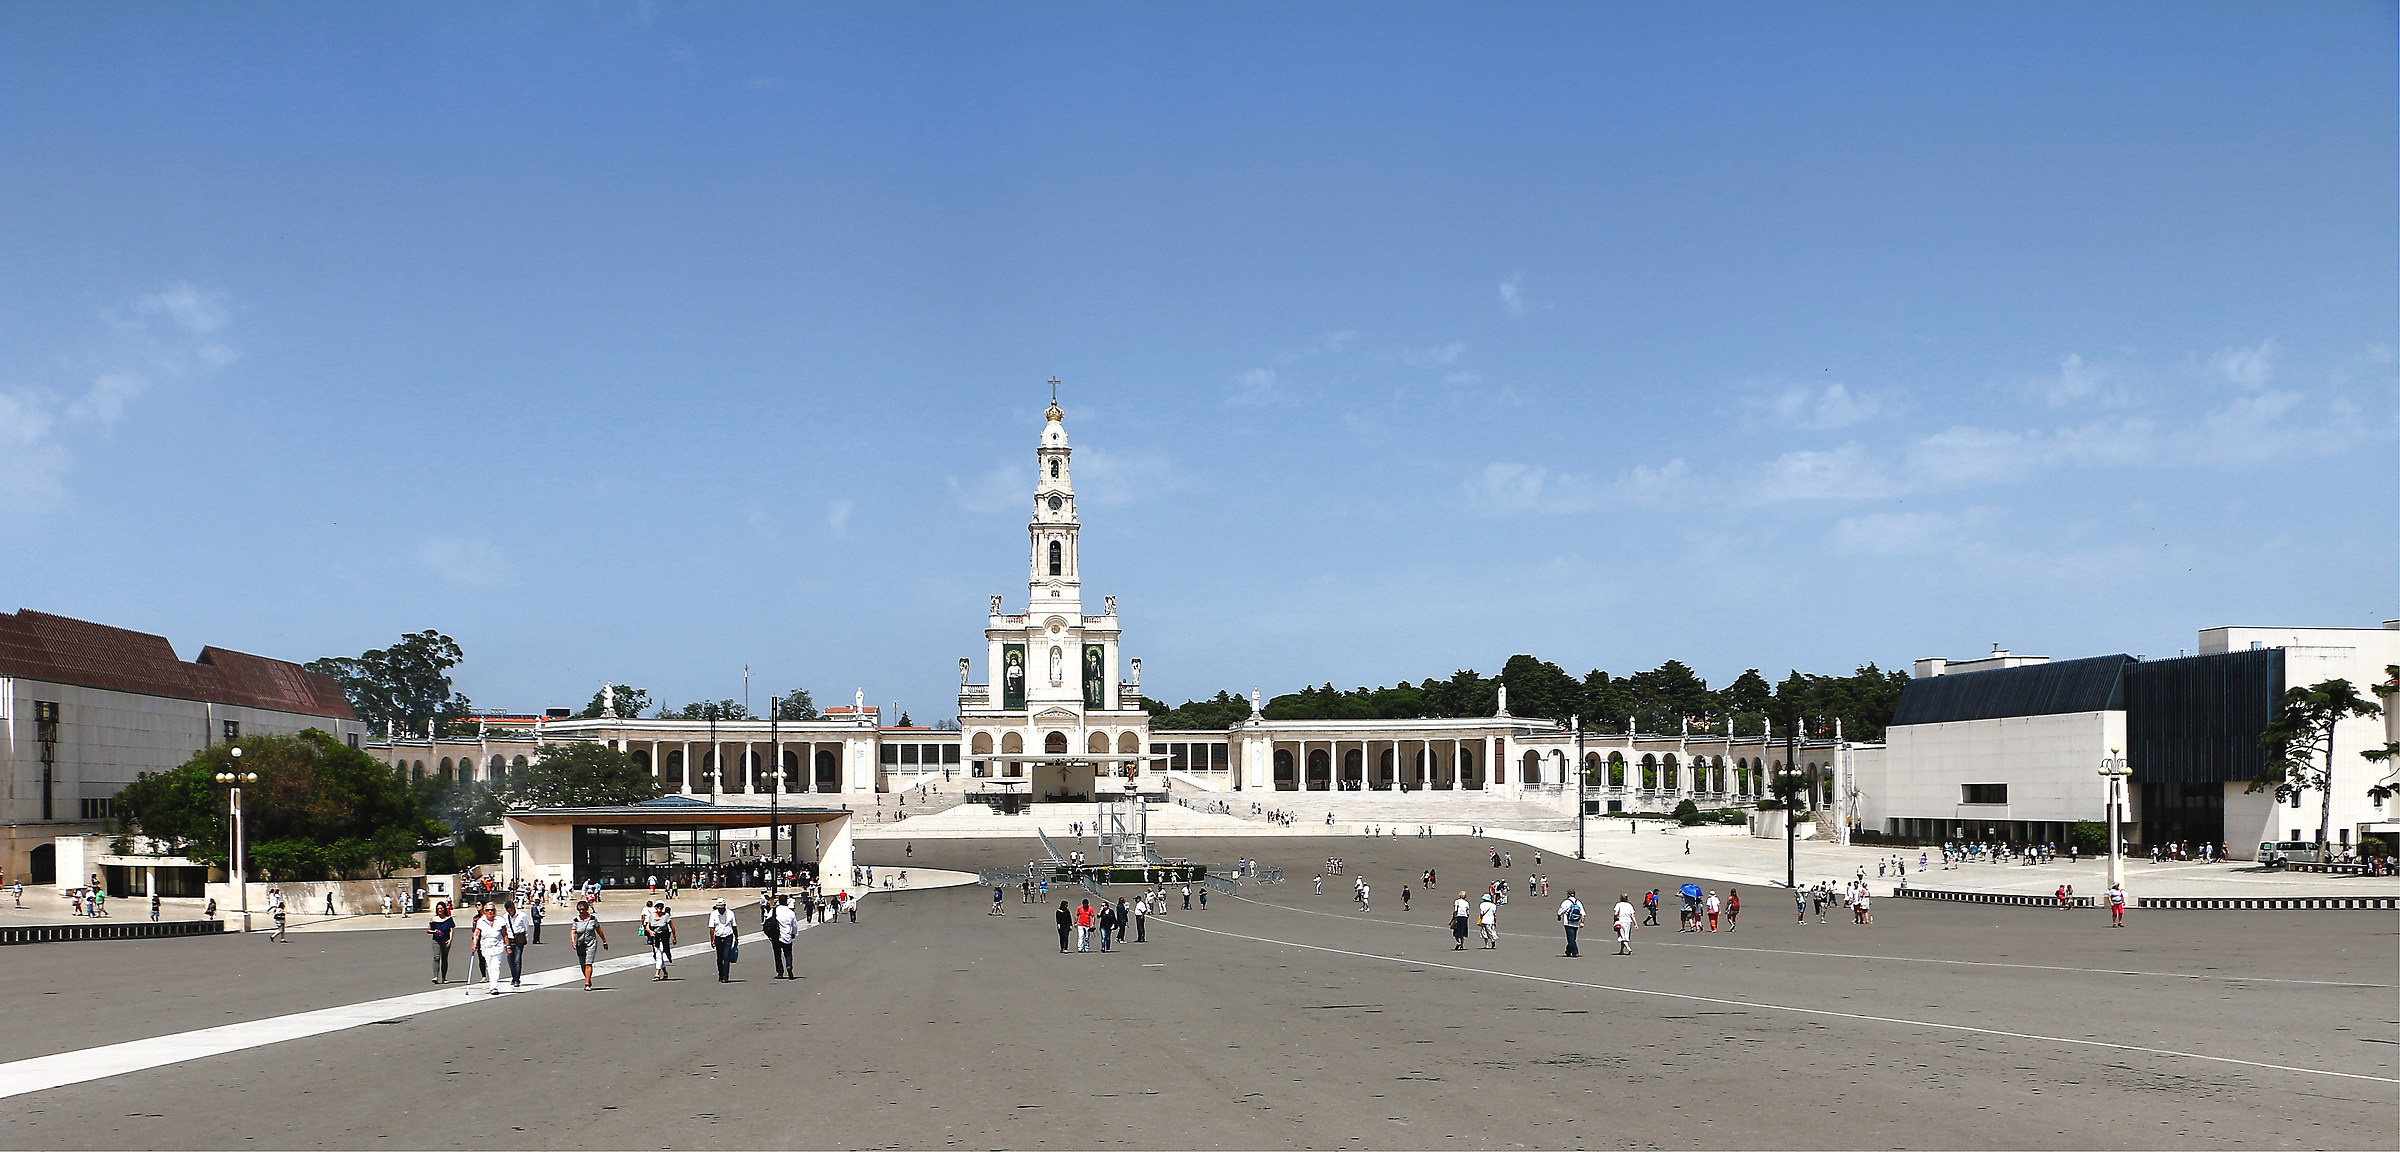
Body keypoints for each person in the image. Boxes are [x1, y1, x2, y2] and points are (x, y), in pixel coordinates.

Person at [569, 901, 608, 990]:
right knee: (583, 964)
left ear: (587, 909)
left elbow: (599, 931)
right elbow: (573, 931)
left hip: (591, 943)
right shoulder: (576, 920)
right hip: (580, 944)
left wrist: (604, 941)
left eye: (583, 909)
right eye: (579, 910)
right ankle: (588, 978)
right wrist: (573, 941)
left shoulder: (593, 919)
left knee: (588, 963)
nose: (581, 911)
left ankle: (587, 983)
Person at [471, 905, 509, 995]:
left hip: (498, 947)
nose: (490, 912)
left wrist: (508, 946)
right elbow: (476, 934)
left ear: (494, 911)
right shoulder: (481, 921)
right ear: (485, 911)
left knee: (495, 966)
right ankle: (492, 984)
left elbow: (505, 934)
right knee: (490, 967)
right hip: (486, 947)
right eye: (487, 910)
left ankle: (494, 987)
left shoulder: (500, 920)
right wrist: (474, 944)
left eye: (491, 910)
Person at [708, 898, 739, 982]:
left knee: (726, 957)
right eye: (718, 908)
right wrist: (712, 940)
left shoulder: (730, 913)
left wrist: (736, 938)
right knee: (719, 958)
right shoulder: (713, 914)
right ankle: (720, 974)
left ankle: (725, 976)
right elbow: (711, 928)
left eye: (721, 908)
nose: (720, 910)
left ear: (725, 906)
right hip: (718, 937)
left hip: (728, 937)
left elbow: (734, 926)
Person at [771, 896, 799, 978]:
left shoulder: (775, 910)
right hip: (787, 935)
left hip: (776, 935)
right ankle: (789, 966)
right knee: (788, 953)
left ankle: (780, 972)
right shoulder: (790, 912)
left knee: (777, 954)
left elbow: (768, 919)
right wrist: (794, 933)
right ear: (786, 902)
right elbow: (794, 925)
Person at [427, 901, 455, 984]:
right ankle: (435, 976)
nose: (440, 910)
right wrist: (434, 931)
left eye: (441, 908)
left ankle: (444, 977)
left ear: (444, 909)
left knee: (444, 958)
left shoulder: (448, 918)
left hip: (445, 940)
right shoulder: (433, 919)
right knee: (436, 957)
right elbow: (428, 930)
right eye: (438, 908)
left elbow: (451, 930)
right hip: (436, 940)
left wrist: (450, 940)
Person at [507, 900, 531, 987]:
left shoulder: (522, 915)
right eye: (508, 911)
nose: (510, 913)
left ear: (514, 908)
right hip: (509, 940)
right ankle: (513, 976)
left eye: (511, 910)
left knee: (517, 960)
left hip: (519, 940)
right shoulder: (505, 917)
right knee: (510, 961)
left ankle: (517, 979)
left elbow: (526, 928)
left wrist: (525, 939)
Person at [1556, 890, 1585, 957]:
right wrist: (1582, 922)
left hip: (1568, 923)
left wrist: (1559, 917)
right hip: (1576, 922)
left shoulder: (1566, 902)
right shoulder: (1578, 902)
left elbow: (1560, 911)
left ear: (1568, 894)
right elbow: (1583, 913)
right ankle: (1568, 950)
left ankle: (1575, 952)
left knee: (1570, 938)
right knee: (1573, 938)